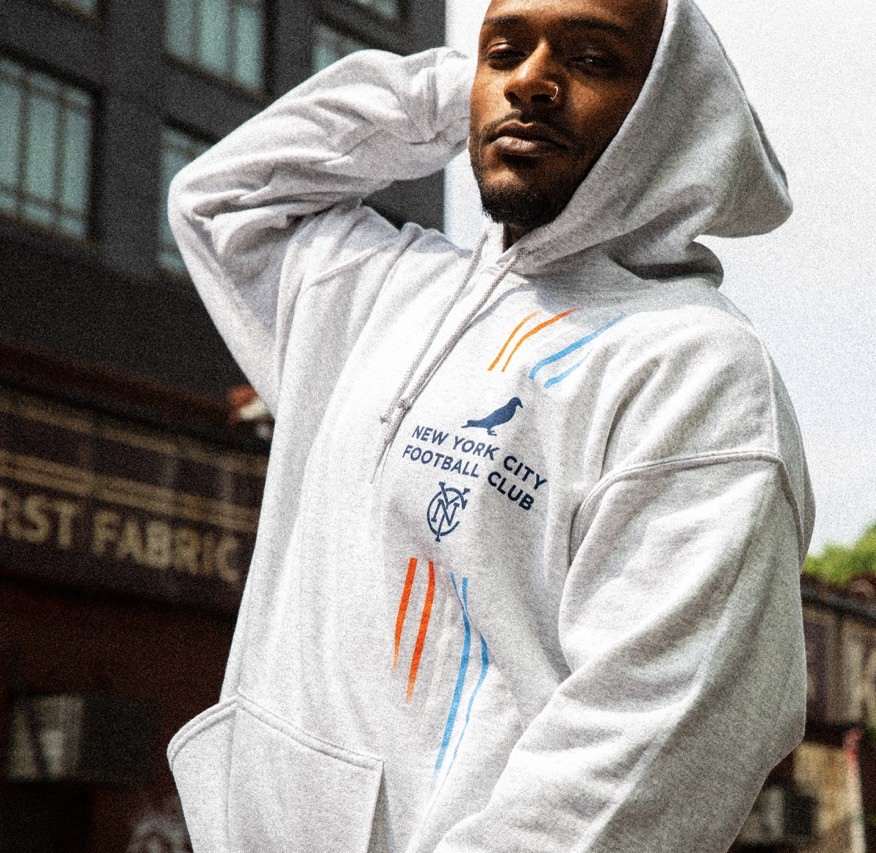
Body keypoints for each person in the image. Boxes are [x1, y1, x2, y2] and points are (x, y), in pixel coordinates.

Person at [165, 0, 813, 849]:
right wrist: (463, 92)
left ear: (668, 110)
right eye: (505, 50)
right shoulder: (381, 289)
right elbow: (219, 198)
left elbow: (646, 746)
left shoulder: (696, 370)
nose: (534, 81)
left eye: (592, 59)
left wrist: (508, 79)